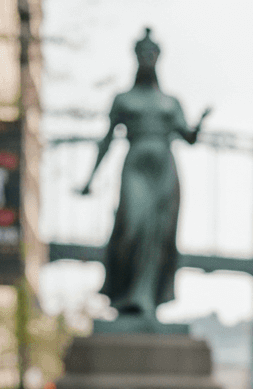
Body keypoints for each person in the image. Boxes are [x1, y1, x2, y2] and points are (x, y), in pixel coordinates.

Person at [79, 28, 210, 319]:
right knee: (132, 227)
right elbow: (107, 140)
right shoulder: (123, 99)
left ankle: (144, 297)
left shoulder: (170, 102)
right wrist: (90, 179)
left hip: (164, 169)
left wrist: (199, 125)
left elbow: (187, 136)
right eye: (143, 54)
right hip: (136, 166)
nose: (148, 59)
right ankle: (123, 292)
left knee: (157, 234)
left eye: (153, 54)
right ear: (136, 57)